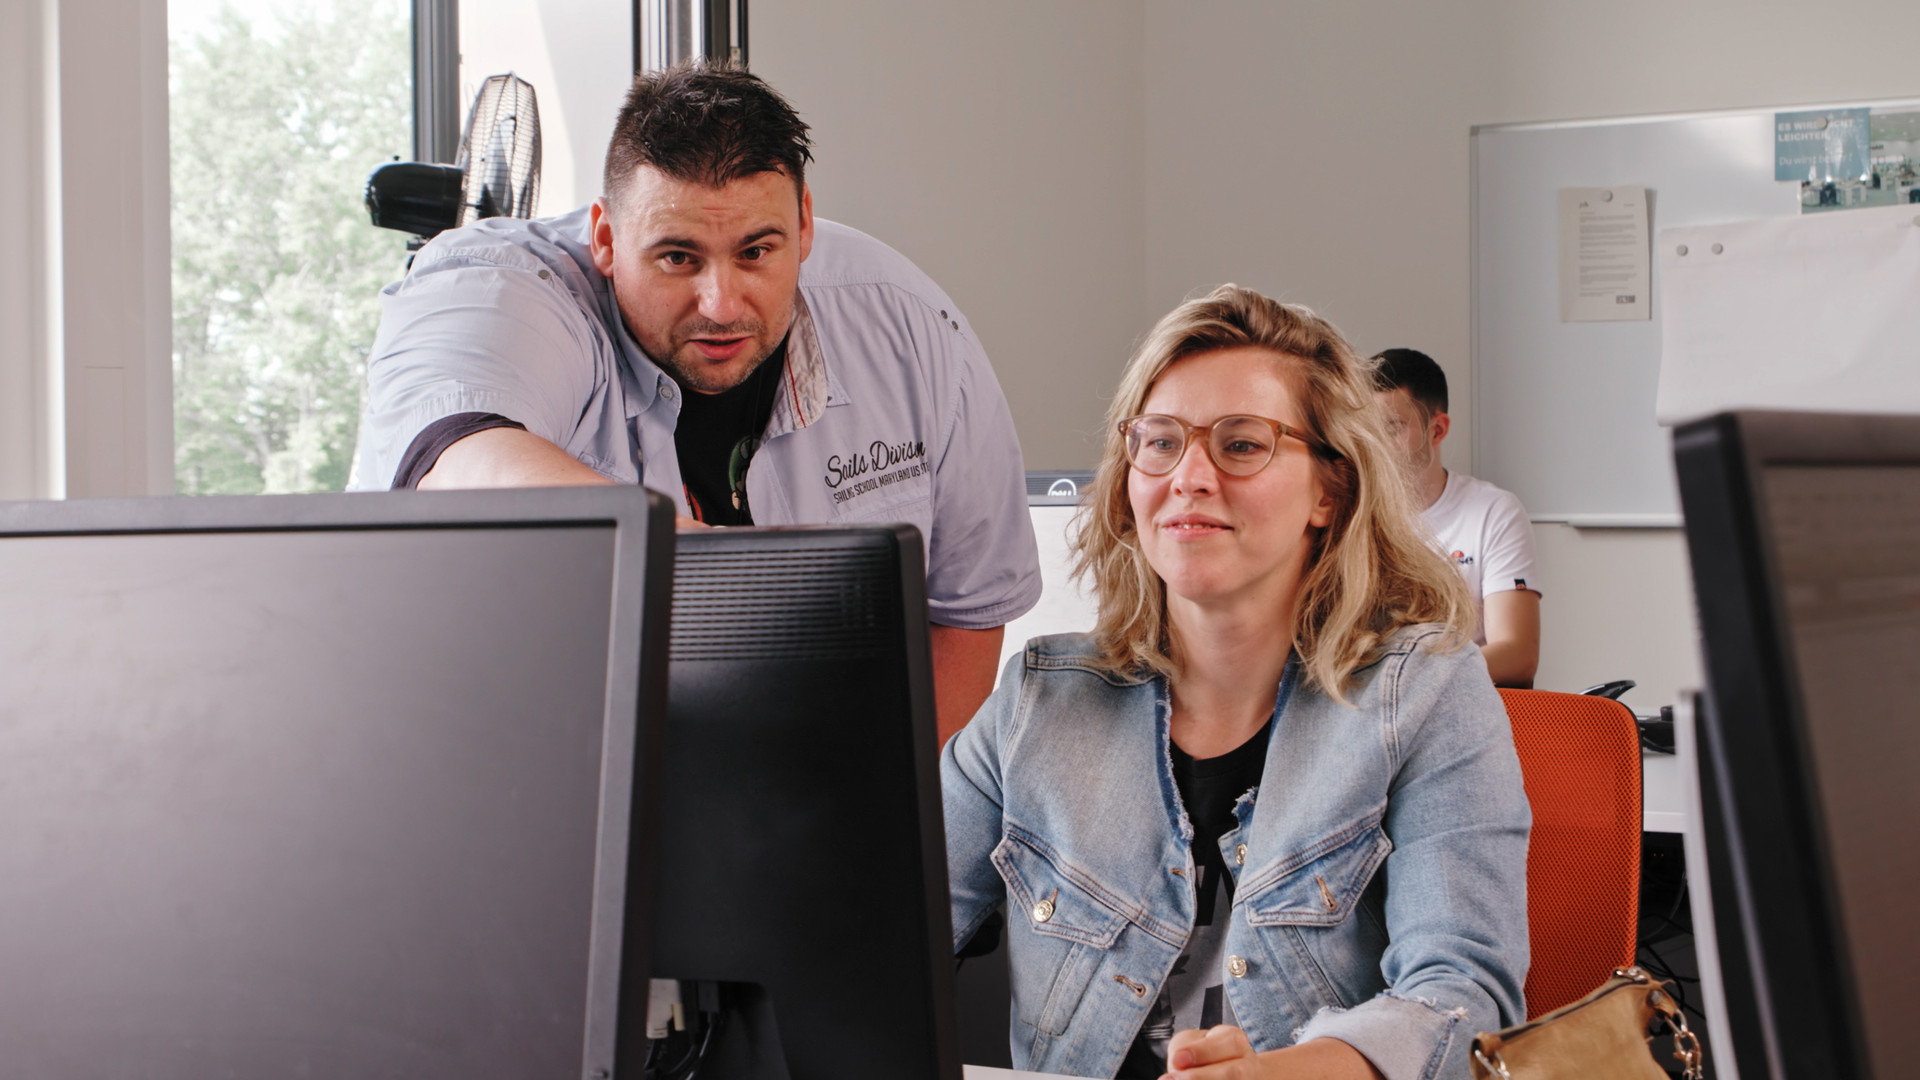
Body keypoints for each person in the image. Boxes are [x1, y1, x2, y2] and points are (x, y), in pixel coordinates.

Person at [349, 63, 1040, 740]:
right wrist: (724, 580)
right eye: (678, 257)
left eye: (755, 252)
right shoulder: (501, 287)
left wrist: (882, 817)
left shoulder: (909, 324)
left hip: (800, 781)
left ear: (804, 224)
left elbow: (963, 612)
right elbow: (461, 459)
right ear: (606, 237)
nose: (720, 304)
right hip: (526, 754)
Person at [943, 287, 1530, 1080]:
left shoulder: (1424, 693)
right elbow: (876, 937)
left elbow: (1464, 998)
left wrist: (1298, 1069)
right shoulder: (1038, 703)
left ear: (1331, 490)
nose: (1189, 476)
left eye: (1242, 444)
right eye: (1160, 442)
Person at [1371, 349, 1541, 688]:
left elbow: (1517, 654)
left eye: (1391, 429)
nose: (1374, 445)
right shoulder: (1350, 514)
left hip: (1461, 713)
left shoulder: (1493, 512)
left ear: (1437, 430)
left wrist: (1412, 681)